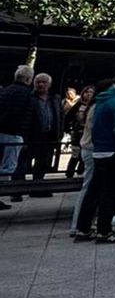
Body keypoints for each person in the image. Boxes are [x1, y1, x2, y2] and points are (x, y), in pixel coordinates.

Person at [75, 70, 115, 244]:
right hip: (114, 152)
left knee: (94, 191)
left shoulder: (102, 100)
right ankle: (105, 231)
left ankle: (83, 228)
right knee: (111, 193)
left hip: (99, 150)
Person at [70, 80, 108, 236]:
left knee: (91, 188)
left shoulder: (93, 107)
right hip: (92, 150)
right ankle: (78, 224)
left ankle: (83, 223)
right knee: (89, 188)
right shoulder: (97, 107)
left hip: (90, 149)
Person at [20, 73, 63, 198]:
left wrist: (59, 133)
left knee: (43, 163)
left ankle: (38, 188)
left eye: (44, 82)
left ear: (49, 84)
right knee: (24, 163)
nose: (41, 84)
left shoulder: (54, 99)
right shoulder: (30, 98)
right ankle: (18, 190)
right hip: (32, 135)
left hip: (49, 135)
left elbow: (60, 116)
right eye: (38, 82)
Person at [0, 65, 36, 209]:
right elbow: (28, 117)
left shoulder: (5, 91)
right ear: (29, 79)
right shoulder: (28, 94)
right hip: (15, 134)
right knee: (8, 167)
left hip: (2, 131)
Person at [64, 85, 95, 178]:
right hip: (78, 133)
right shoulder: (78, 105)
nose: (88, 94)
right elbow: (68, 117)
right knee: (75, 155)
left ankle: (80, 170)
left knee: (84, 154)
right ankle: (70, 172)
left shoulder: (94, 106)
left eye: (91, 92)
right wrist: (69, 130)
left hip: (88, 134)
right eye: (87, 92)